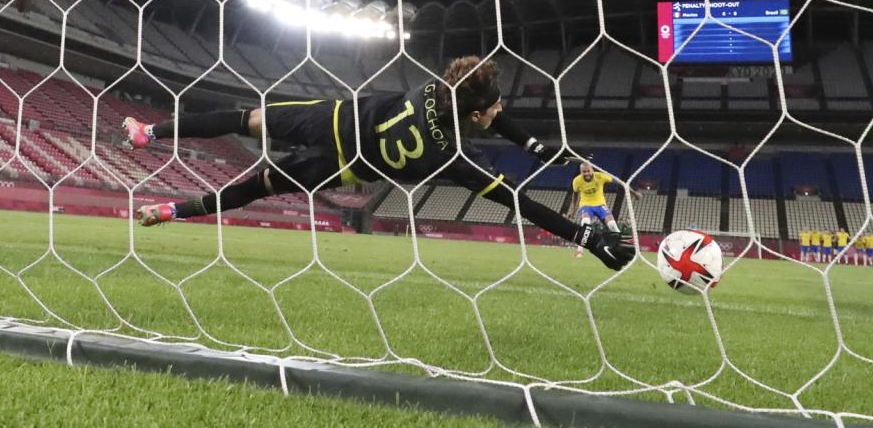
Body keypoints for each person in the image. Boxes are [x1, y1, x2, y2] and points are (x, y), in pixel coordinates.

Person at [122, 56, 635, 271]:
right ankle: (174, 211)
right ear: (476, 115)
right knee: (257, 187)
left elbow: (481, 100)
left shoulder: (439, 86)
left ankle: (151, 133)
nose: (502, 114)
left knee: (244, 118)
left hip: (334, 119)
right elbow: (520, 202)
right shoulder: (457, 159)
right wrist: (586, 239)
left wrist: (535, 147)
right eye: (496, 109)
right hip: (344, 167)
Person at [567, 162, 642, 258]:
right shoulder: (577, 181)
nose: (586, 173)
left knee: (612, 225)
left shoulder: (600, 177)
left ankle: (625, 249)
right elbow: (575, 194)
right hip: (586, 205)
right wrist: (573, 210)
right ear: (581, 172)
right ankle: (579, 250)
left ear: (592, 170)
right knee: (585, 223)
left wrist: (634, 193)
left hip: (600, 205)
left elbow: (619, 182)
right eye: (583, 172)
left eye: (588, 171)